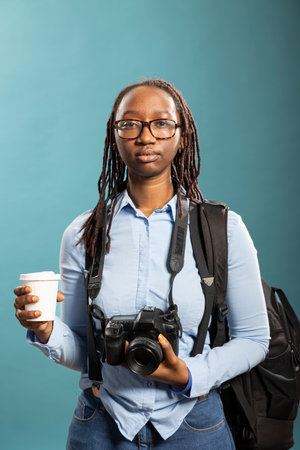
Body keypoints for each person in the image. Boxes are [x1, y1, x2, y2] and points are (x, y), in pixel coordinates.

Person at [13, 78, 270, 450]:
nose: (145, 136)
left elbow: (254, 339)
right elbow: (82, 351)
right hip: (101, 426)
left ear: (181, 135)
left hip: (194, 425)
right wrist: (45, 329)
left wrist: (188, 373)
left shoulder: (222, 229)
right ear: (114, 136)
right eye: (129, 123)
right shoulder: (84, 233)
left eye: (161, 123)